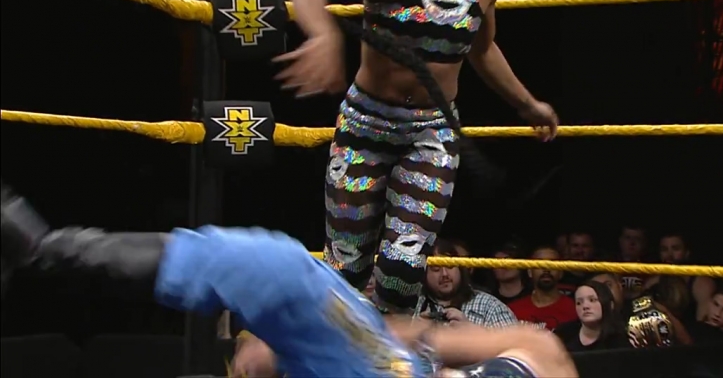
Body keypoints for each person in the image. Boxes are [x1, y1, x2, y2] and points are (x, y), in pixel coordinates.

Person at [274, 0, 559, 314]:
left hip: (431, 132)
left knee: (404, 267)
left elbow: (483, 50)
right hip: (366, 124)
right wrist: (323, 35)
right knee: (346, 264)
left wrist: (527, 104)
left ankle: (395, 351)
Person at [0, 182, 577, 378]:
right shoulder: (535, 358)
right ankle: (50, 253)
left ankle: (48, 253)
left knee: (284, 271)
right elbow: (536, 348)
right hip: (389, 361)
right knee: (291, 272)